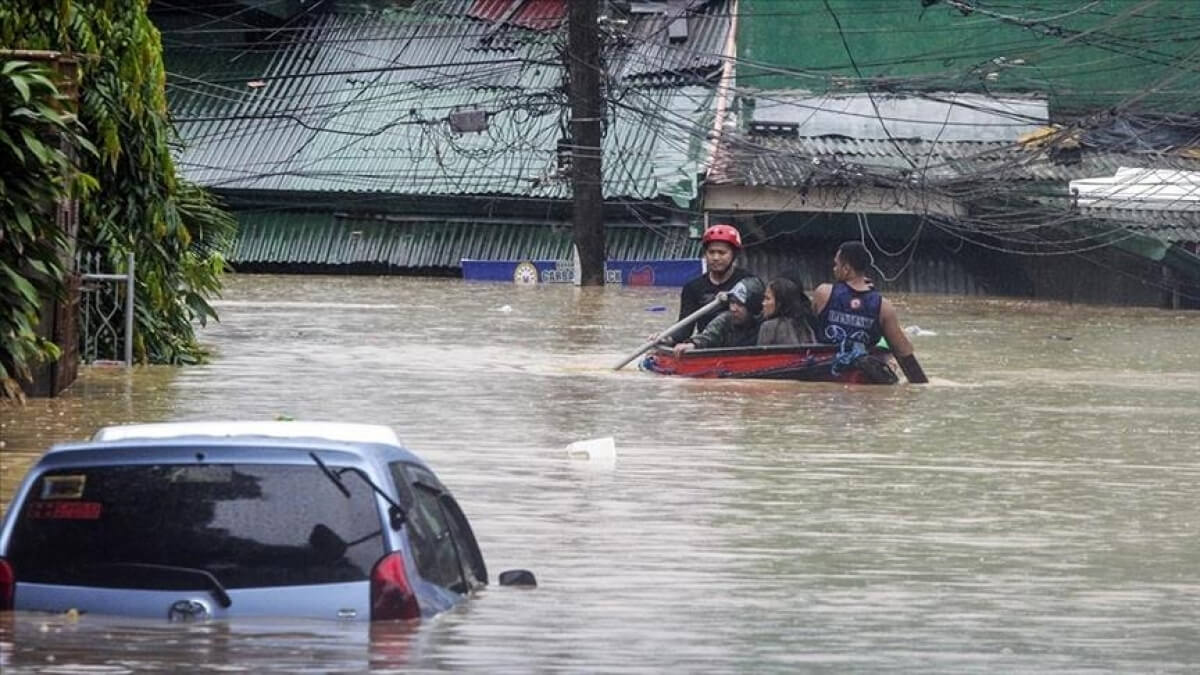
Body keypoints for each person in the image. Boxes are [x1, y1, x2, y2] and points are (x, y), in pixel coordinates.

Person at [811, 241, 928, 384]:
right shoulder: (883, 306)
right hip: (863, 373)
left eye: (836, 264)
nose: (834, 269)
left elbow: (807, 328)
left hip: (824, 370)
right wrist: (921, 387)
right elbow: (903, 352)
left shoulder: (823, 293)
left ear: (846, 269)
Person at [664, 224, 749, 344]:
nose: (715, 258)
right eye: (711, 252)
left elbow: (757, 319)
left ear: (734, 255)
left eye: (722, 253)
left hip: (739, 346)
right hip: (704, 346)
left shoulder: (747, 282)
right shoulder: (692, 287)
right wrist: (667, 338)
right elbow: (684, 329)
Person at [673, 277, 765, 355]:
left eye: (740, 304)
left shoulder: (765, 323)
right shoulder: (725, 320)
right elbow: (708, 337)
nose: (733, 308)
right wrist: (693, 345)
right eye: (732, 302)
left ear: (753, 307)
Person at [757, 278, 817, 345]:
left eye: (767, 298)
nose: (763, 303)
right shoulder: (805, 326)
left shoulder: (768, 327)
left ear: (780, 303)